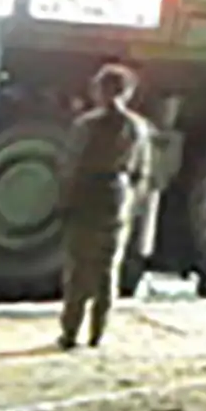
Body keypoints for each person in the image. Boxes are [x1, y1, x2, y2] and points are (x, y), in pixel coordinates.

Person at [56, 63, 156, 351]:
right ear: (128, 92)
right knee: (107, 268)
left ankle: (70, 332)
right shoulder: (137, 127)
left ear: (98, 90)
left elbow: (71, 166)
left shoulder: (86, 125)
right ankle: (97, 334)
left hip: (86, 195)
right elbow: (142, 171)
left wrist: (64, 203)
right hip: (116, 196)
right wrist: (131, 204)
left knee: (78, 267)